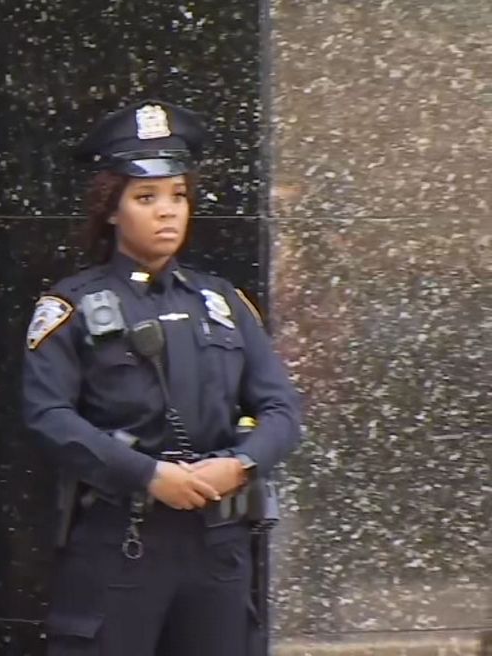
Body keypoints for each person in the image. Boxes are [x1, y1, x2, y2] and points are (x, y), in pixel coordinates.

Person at [21, 100, 302, 655]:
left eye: (178, 196)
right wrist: (148, 475)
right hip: (122, 542)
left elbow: (282, 409)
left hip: (219, 545)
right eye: (146, 197)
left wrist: (240, 463)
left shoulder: (222, 302)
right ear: (111, 208)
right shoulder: (71, 306)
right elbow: (47, 416)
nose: (167, 211)